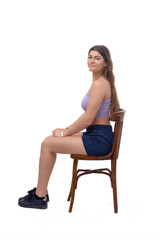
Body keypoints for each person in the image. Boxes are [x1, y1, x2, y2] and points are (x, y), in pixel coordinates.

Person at [18, 45, 120, 209]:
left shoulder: (100, 84)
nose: (92, 61)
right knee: (50, 140)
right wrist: (67, 131)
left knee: (47, 144)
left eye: (97, 58)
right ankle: (41, 192)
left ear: (106, 63)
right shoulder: (99, 82)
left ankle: (39, 196)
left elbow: (87, 119)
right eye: (90, 57)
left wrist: (66, 132)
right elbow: (89, 121)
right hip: (96, 134)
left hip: (99, 140)